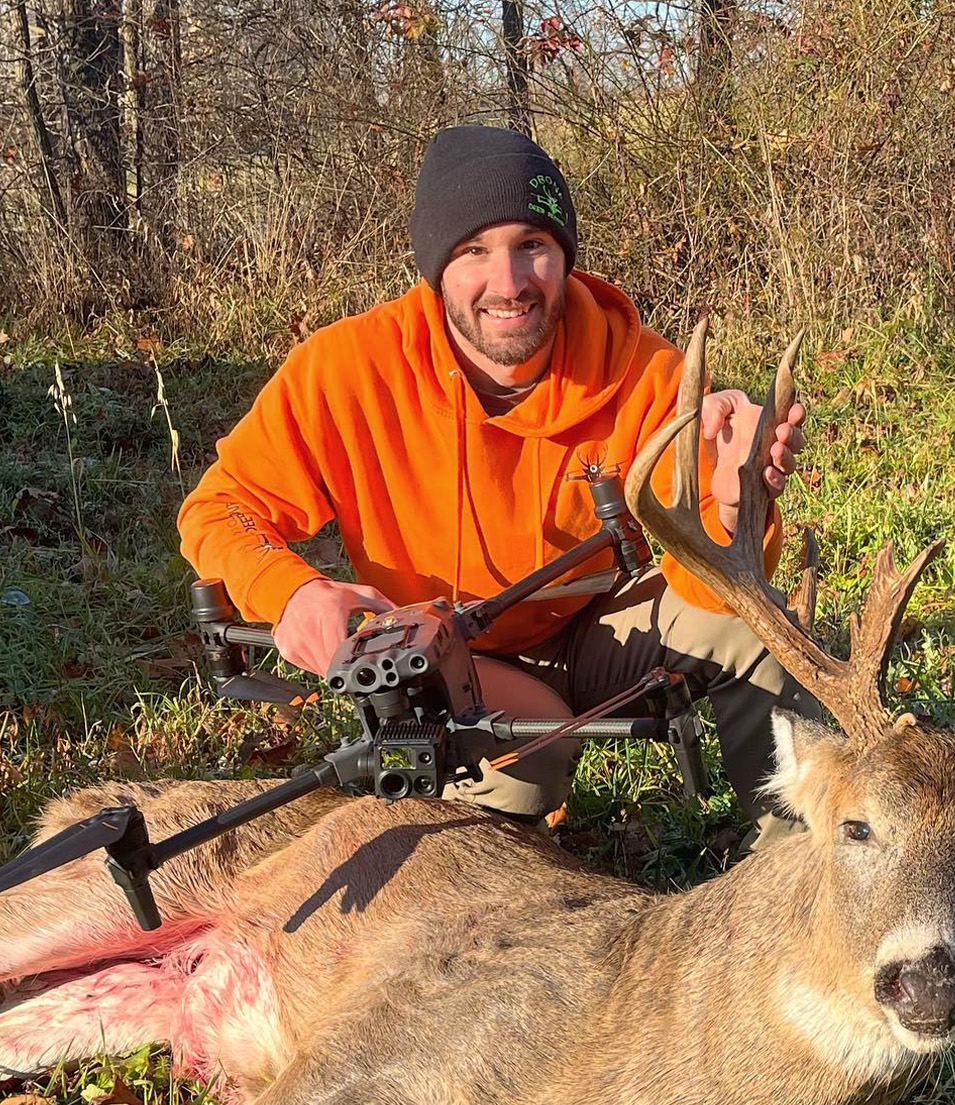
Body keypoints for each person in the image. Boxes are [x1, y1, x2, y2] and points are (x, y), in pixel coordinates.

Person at [177, 125, 814, 842]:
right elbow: (219, 509)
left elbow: (712, 590)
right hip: (445, 664)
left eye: (532, 246)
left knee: (755, 626)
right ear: (435, 267)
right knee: (521, 778)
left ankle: (803, 864)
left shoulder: (642, 373)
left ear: (565, 255)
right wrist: (289, 590)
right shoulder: (347, 371)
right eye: (473, 251)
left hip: (600, 631)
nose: (508, 284)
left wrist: (733, 502)